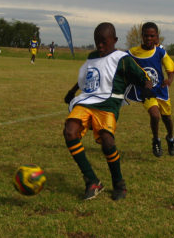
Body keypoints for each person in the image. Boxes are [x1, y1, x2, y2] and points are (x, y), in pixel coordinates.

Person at [63, 22, 153, 201]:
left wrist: (147, 88)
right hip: (87, 101)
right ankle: (92, 181)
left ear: (115, 40)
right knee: (70, 131)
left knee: (107, 141)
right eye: (97, 42)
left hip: (108, 104)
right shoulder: (92, 56)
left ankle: (119, 183)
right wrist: (73, 91)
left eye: (104, 41)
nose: (100, 46)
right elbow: (86, 77)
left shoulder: (122, 59)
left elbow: (144, 77)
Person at [125, 22, 174, 157]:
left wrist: (169, 80)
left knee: (167, 118)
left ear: (156, 37)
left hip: (161, 90)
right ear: (142, 36)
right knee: (155, 115)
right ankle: (156, 140)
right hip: (147, 92)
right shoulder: (133, 52)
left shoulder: (160, 52)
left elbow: (171, 68)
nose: (149, 39)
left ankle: (170, 138)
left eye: (152, 36)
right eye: (146, 36)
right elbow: (119, 59)